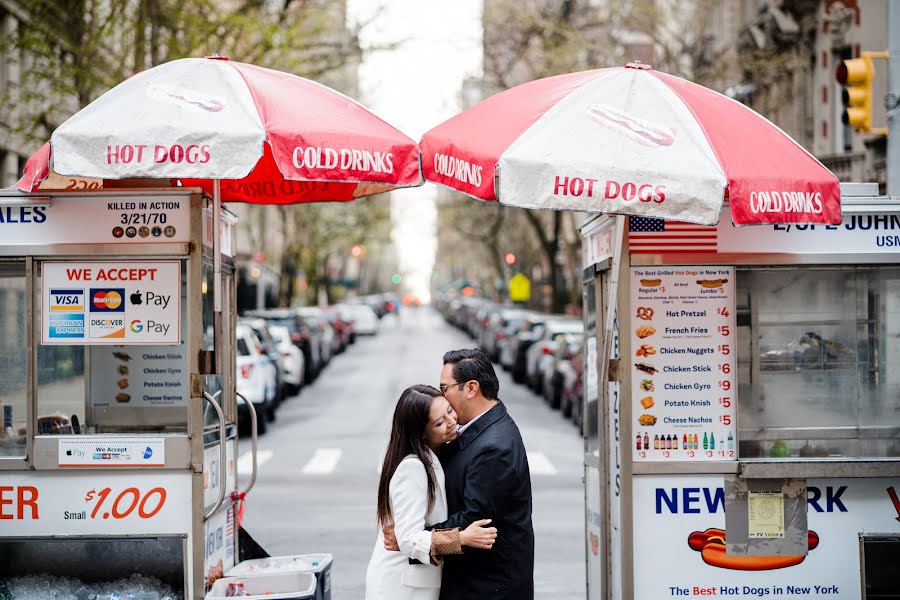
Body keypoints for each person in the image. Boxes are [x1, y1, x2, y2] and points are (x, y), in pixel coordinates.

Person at [386, 349, 535, 599]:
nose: (442, 395)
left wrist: (413, 539)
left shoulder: (493, 446)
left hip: (486, 587)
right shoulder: (480, 429)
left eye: (445, 388)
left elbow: (473, 518)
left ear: (471, 388)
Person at [366, 385, 498, 600]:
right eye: (439, 423)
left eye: (449, 410)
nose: (451, 421)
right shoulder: (413, 467)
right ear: (421, 434)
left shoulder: (430, 454)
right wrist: (462, 538)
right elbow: (409, 540)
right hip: (401, 588)